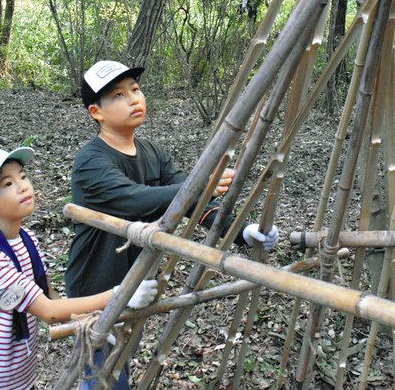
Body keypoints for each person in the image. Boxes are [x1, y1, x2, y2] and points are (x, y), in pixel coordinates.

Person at [65, 60, 279, 299]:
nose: (134, 99)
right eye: (118, 95)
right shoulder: (90, 162)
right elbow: (134, 199)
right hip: (95, 288)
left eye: (135, 89)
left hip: (139, 280)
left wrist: (242, 229)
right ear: (97, 112)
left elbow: (190, 200)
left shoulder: (152, 153)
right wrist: (200, 186)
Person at [0, 147, 158, 390]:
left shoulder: (26, 238)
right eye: (7, 184)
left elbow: (48, 295)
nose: (23, 186)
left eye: (23, 176)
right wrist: (121, 294)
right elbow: (48, 311)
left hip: (21, 378)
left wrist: (91, 320)